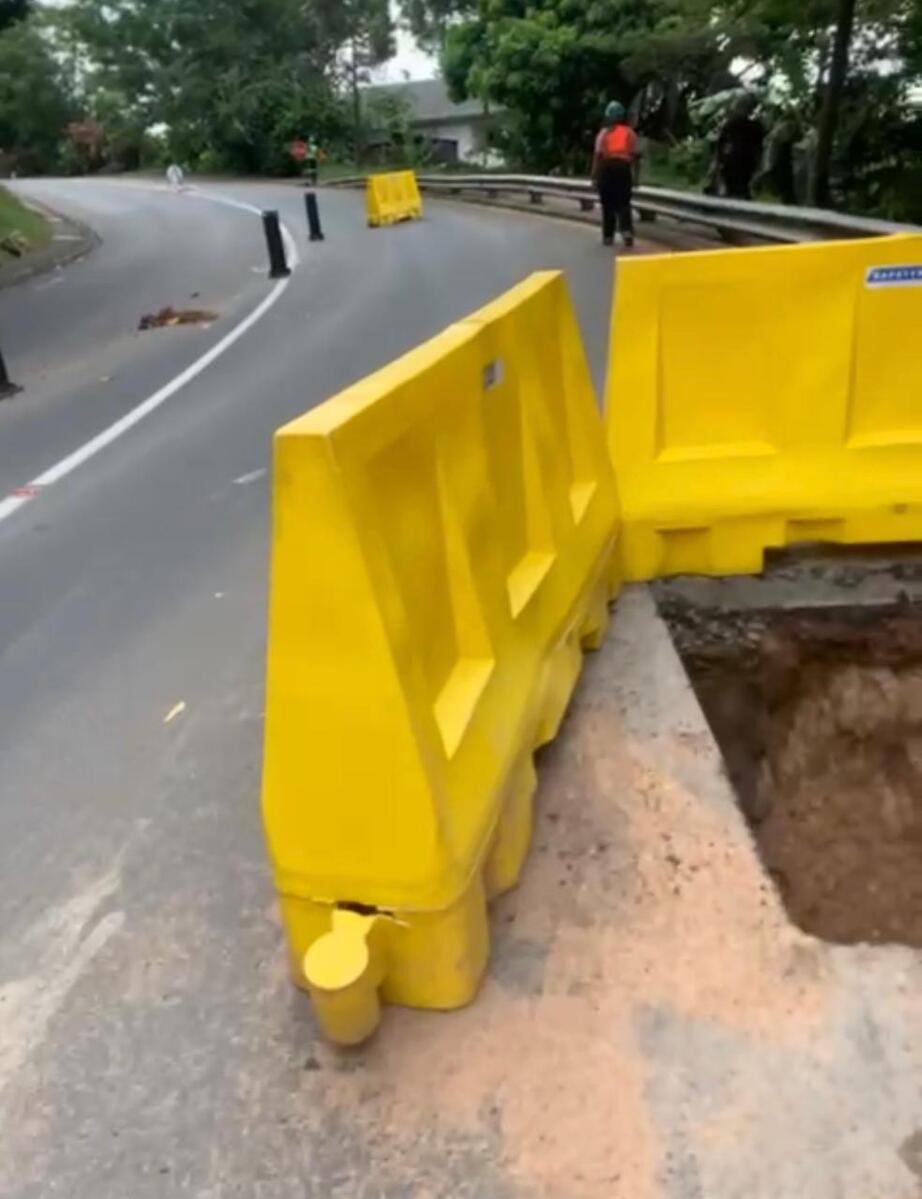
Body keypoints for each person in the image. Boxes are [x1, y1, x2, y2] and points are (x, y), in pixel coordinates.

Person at [591, 101, 639, 248]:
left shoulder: (603, 134)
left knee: (608, 203)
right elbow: (635, 156)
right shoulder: (629, 133)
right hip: (623, 168)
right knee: (624, 201)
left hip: (607, 167)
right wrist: (635, 177)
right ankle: (627, 231)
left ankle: (608, 235)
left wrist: (594, 175)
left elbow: (598, 156)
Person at [714, 94, 764, 200]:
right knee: (735, 189)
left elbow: (758, 148)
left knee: (739, 189)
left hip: (742, 162)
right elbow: (721, 145)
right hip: (735, 162)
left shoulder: (753, 126)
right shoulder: (732, 124)